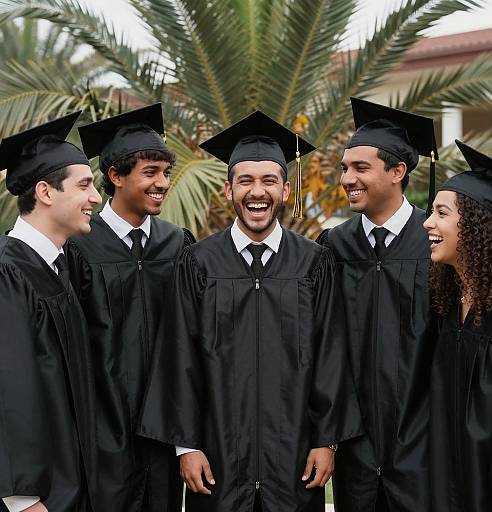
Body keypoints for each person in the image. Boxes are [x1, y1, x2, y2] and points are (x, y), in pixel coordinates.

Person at [139, 110, 362, 512]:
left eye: (268, 181)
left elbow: (331, 354)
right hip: (218, 458)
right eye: (245, 181)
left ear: (285, 190)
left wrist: (326, 441)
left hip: (294, 457)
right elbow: (179, 355)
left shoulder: (314, 263)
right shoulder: (197, 263)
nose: (256, 192)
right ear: (228, 190)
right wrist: (186, 447)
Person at [65, 103, 194, 512]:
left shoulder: (179, 245)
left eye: (165, 174)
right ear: (116, 177)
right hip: (103, 429)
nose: (162, 184)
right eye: (150, 173)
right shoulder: (79, 247)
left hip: (164, 432)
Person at [318, 97, 438, 511]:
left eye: (360, 168)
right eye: (345, 169)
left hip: (424, 443)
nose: (347, 178)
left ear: (398, 171)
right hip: (356, 446)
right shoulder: (333, 245)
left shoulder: (435, 245)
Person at [0, 112, 102, 512]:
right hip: (35, 499)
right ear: (45, 192)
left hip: (67, 487)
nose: (96, 197)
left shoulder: (57, 267)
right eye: (85, 185)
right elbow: (9, 389)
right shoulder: (9, 271)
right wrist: (22, 499)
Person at [424, 140, 492, 512]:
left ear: (474, 226)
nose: (427, 222)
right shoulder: (448, 302)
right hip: (447, 483)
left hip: (491, 492)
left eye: (441, 213)